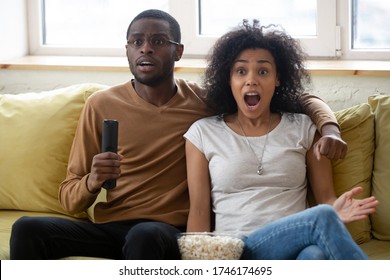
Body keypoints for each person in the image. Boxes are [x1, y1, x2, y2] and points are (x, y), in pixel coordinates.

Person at [11, 10, 347, 260]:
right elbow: (69, 198)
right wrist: (92, 180)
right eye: (136, 42)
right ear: (126, 50)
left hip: (164, 232)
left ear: (178, 51)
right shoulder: (100, 105)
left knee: (144, 235)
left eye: (158, 41)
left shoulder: (202, 103)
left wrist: (329, 127)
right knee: (26, 228)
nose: (146, 49)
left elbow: (298, 98)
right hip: (111, 227)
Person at [184, 20, 378, 259]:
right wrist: (194, 268)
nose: (251, 80)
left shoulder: (304, 128)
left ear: (277, 79)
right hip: (239, 250)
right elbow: (200, 210)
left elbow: (325, 198)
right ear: (229, 79)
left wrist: (335, 208)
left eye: (263, 71)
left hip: (294, 246)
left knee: (315, 256)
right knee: (322, 218)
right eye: (241, 71)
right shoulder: (203, 133)